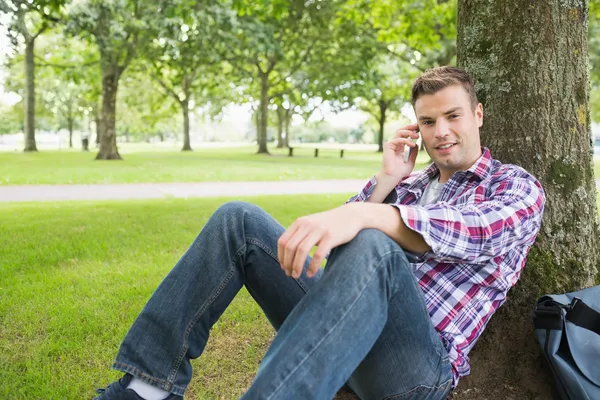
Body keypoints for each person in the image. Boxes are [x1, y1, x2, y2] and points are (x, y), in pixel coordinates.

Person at [94, 66, 545, 400]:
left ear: (478, 114)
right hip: (344, 327)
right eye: (428, 122)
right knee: (239, 220)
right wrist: (386, 180)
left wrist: (370, 218)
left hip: (416, 368)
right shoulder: (408, 184)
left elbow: (475, 231)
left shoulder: (513, 185)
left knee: (374, 241)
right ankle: (146, 389)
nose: (441, 132)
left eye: (453, 116)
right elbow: (338, 251)